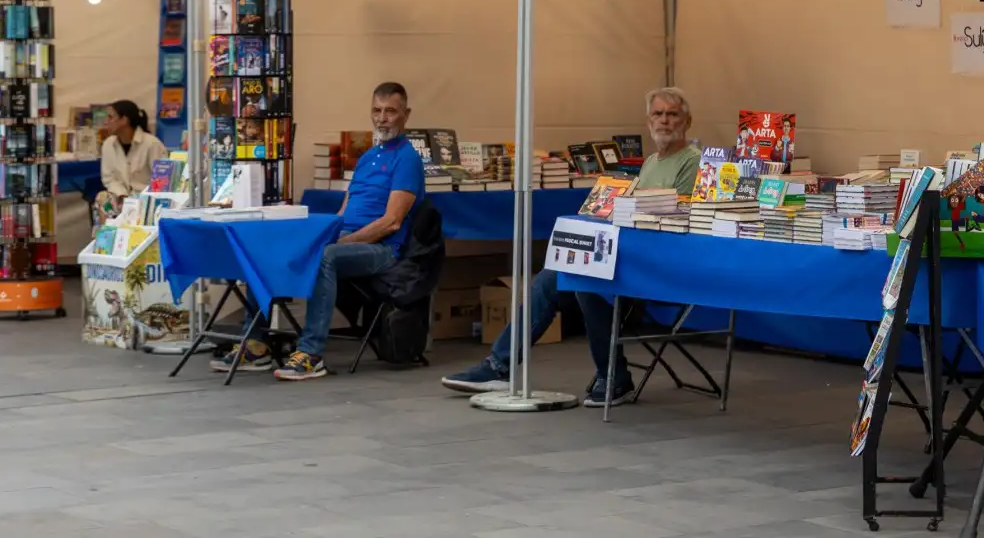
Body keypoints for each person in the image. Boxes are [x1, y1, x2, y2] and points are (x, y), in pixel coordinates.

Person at [443, 86, 701, 406]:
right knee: (554, 272)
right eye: (658, 114)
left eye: (672, 114)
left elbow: (677, 219)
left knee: (582, 278)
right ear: (648, 120)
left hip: (657, 264)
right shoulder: (650, 161)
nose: (664, 121)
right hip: (628, 254)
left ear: (687, 120)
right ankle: (501, 366)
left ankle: (613, 376)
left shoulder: (692, 161)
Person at [271, 81, 425, 381]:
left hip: (384, 250)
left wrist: (341, 241)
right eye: (377, 111)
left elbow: (391, 222)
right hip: (351, 241)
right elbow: (344, 211)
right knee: (278, 245)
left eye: (390, 111)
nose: (382, 118)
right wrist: (318, 235)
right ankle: (259, 342)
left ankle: (311, 353)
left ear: (406, 114)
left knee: (327, 256)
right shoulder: (367, 157)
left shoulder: (407, 159)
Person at [97, 100, 167, 207]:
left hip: (147, 200)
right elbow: (109, 179)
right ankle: (108, 224)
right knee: (102, 198)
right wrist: (122, 195)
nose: (106, 122)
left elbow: (162, 179)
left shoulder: (152, 144)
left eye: (111, 117)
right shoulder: (108, 144)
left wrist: (142, 200)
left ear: (124, 120)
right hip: (121, 198)